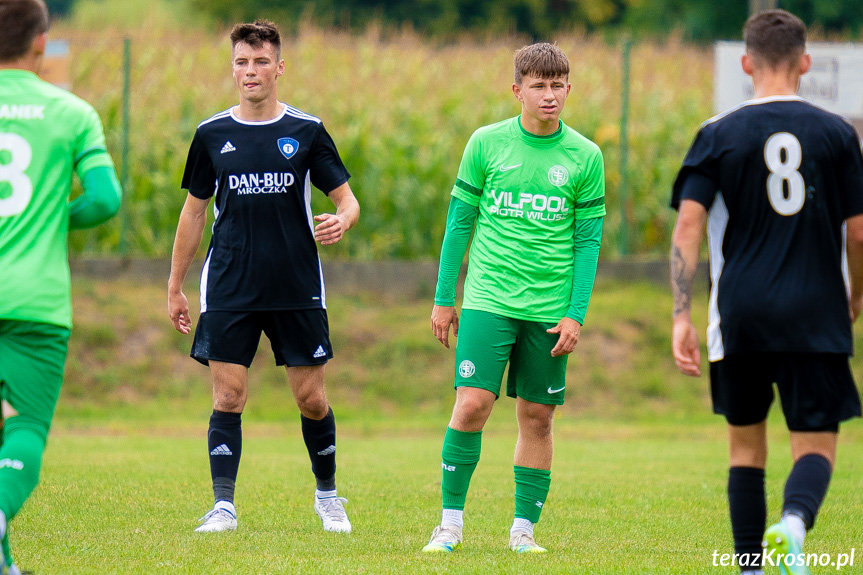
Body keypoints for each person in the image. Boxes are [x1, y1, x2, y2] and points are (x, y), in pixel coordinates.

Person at [670, 9, 863, 575]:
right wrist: (855, 295)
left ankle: (751, 566)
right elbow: (858, 231)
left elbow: (687, 228)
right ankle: (795, 524)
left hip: (740, 313)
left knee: (745, 451)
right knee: (817, 448)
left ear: (746, 62)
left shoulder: (716, 133)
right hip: (816, 309)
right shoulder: (837, 133)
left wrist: (682, 314)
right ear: (805, 62)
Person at [168, 20, 360, 535]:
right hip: (229, 282)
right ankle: (224, 506)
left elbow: (346, 198)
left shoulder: (306, 131)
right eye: (240, 62)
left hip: (296, 285)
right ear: (232, 68)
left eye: (259, 62)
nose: (249, 71)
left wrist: (341, 220)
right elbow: (193, 213)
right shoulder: (212, 135)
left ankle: (327, 495)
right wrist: (175, 285)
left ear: (279, 67)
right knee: (228, 396)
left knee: (311, 399)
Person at [422, 42, 605, 554]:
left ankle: (523, 532)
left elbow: (588, 243)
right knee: (473, 404)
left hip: (549, 310)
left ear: (569, 88)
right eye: (538, 86)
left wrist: (576, 314)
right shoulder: (485, 143)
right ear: (517, 90)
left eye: (557, 86)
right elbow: (459, 224)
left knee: (537, 417)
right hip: (488, 299)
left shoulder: (586, 156)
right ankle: (450, 525)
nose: (549, 96)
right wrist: (444, 298)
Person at [0, 0, 123, 571]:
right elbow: (104, 199)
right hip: (35, 301)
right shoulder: (72, 112)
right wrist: (52, 217)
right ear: (42, 43)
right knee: (23, 427)